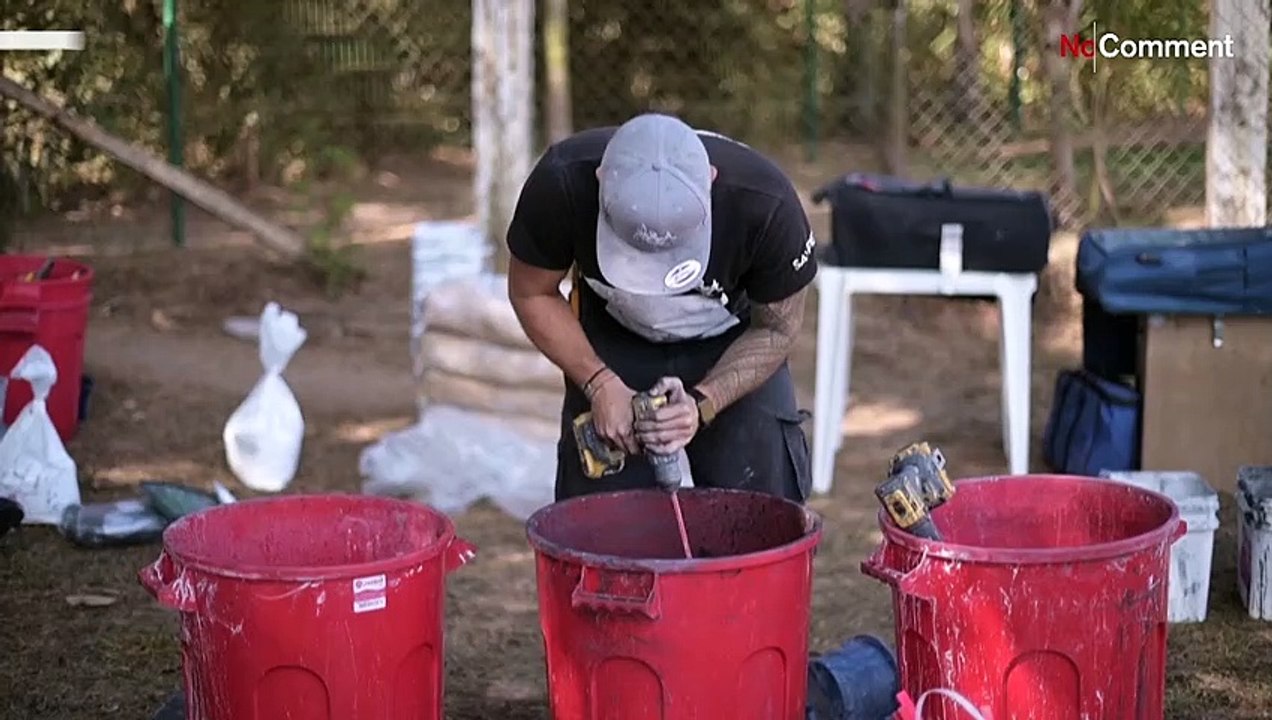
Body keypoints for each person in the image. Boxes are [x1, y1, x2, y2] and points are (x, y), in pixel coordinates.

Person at [506, 113, 818, 503]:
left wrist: (703, 402)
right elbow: (532, 293)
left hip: (732, 341)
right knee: (599, 524)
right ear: (600, 178)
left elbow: (777, 328)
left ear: (711, 179)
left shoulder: (766, 204)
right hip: (612, 338)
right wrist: (599, 383)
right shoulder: (562, 184)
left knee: (762, 508)